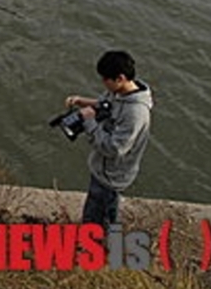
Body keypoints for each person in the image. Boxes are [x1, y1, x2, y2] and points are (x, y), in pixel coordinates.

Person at [64, 50, 153, 229]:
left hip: (112, 177)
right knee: (92, 213)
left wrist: (89, 122)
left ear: (120, 78)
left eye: (106, 79)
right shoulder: (119, 92)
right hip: (101, 170)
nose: (103, 83)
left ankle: (102, 250)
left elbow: (114, 148)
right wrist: (82, 102)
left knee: (104, 218)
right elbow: (106, 106)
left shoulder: (136, 113)